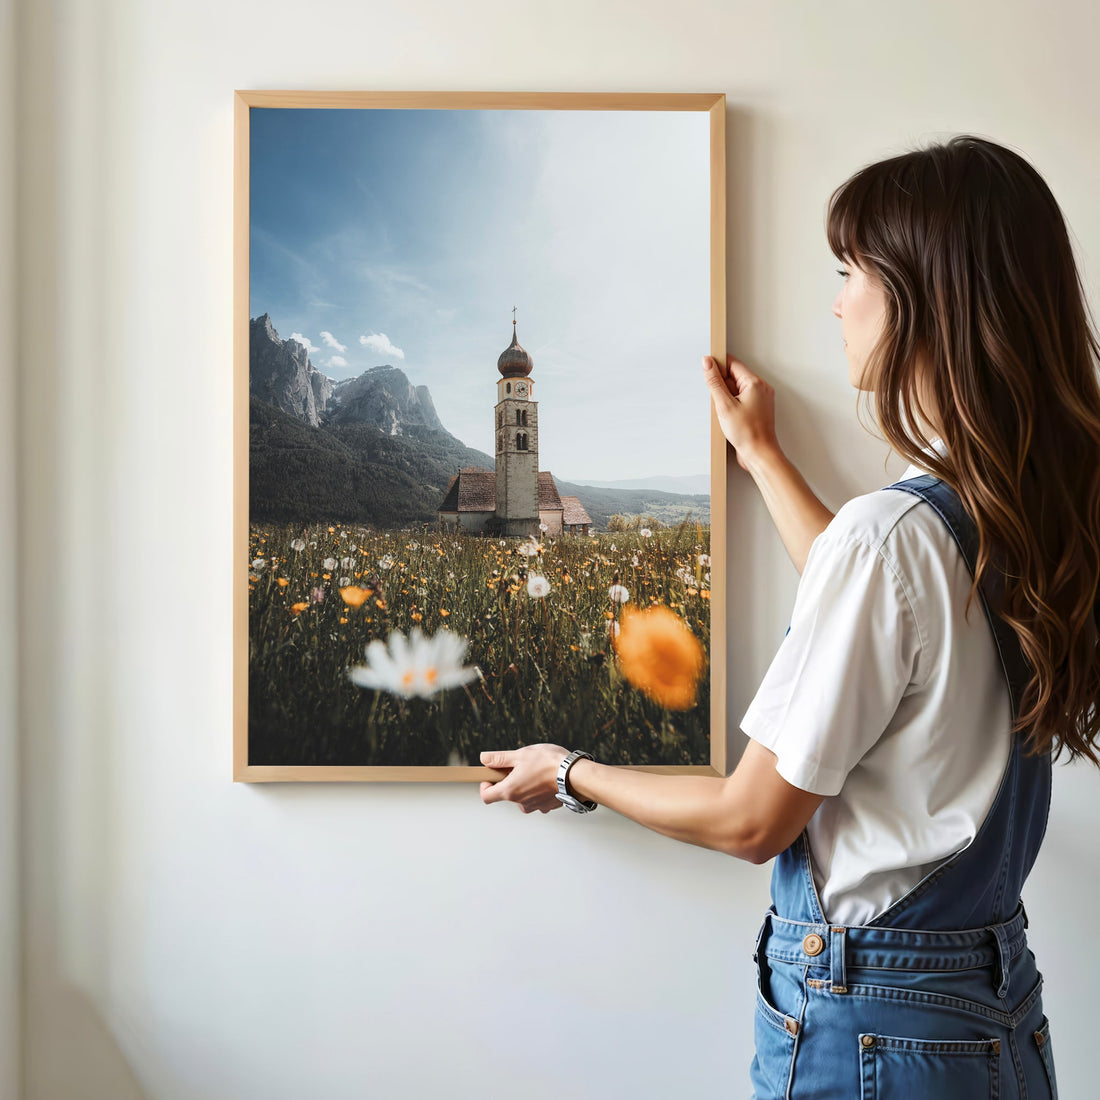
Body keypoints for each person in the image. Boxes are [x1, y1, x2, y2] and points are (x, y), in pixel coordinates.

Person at [477, 134, 1100, 1098]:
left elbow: (750, 819)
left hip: (874, 1030)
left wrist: (568, 771)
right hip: (989, 1014)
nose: (837, 299)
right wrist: (763, 455)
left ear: (925, 300)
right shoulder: (1016, 509)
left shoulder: (895, 536)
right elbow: (888, 620)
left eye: (852, 271)